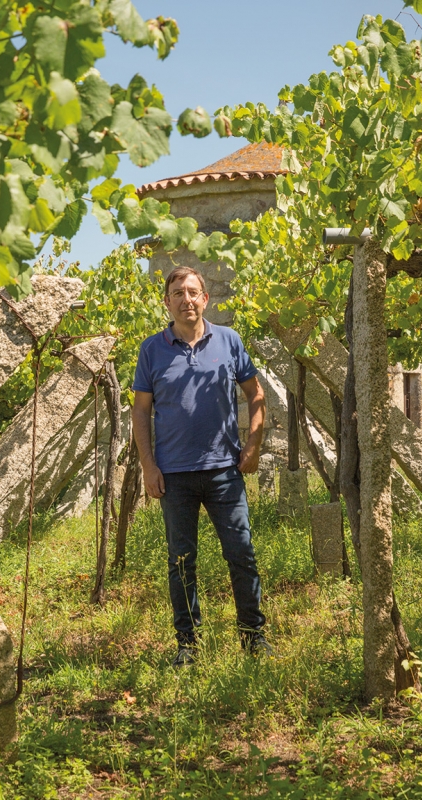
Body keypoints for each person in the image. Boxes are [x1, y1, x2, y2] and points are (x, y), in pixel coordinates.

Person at [132, 266, 270, 667]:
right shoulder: (151, 350)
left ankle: (253, 637)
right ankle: (188, 645)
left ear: (205, 299)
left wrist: (254, 445)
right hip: (173, 475)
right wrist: (148, 465)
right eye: (178, 293)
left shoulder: (228, 341)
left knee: (241, 553)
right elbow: (141, 412)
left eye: (193, 292)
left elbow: (256, 394)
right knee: (180, 561)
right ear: (167, 302)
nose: (186, 299)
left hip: (225, 470)